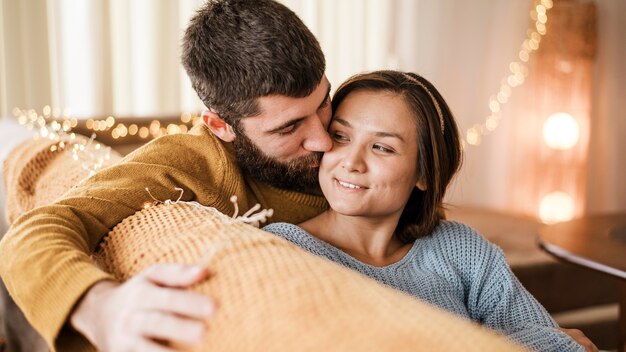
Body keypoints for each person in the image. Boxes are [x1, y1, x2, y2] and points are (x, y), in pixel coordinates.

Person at [0, 1, 332, 351]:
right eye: (289, 127)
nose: (324, 140)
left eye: (323, 102)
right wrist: (103, 309)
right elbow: (33, 234)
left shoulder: (361, 112)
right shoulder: (191, 162)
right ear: (221, 126)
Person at [263, 70, 596, 352]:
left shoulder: (463, 249)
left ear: (423, 173)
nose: (350, 162)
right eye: (341, 136)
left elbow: (566, 343)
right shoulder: (287, 250)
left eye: (382, 147)